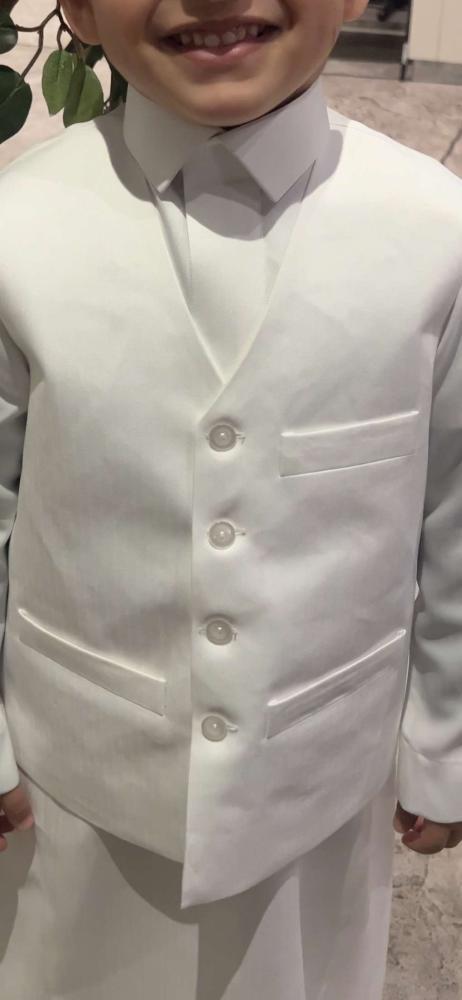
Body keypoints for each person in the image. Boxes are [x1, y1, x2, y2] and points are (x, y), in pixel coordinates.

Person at [0, 0, 461, 997]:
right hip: (73, 792)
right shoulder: (15, 225)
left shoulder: (439, 232)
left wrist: (446, 740)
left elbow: (454, 515)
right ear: (77, 8)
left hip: (323, 795)